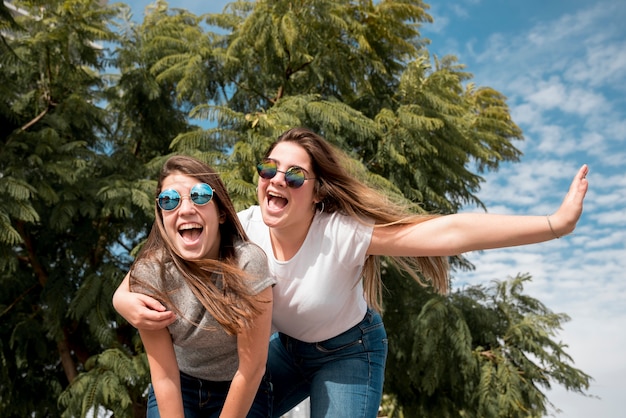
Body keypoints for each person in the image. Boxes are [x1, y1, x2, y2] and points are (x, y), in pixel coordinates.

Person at [113, 128, 589, 418]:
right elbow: (161, 259)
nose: (277, 180)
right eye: (269, 169)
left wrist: (553, 224)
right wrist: (122, 301)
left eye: (295, 175)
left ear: (317, 191)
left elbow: (447, 232)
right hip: (287, 350)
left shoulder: (343, 232)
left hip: (348, 352)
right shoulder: (244, 226)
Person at [116, 155, 275, 418]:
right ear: (161, 215)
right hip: (179, 382)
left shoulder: (248, 263)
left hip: (241, 383)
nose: (186, 209)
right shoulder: (149, 276)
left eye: (199, 195)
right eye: (170, 200)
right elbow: (165, 377)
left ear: (221, 212)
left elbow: (251, 368)